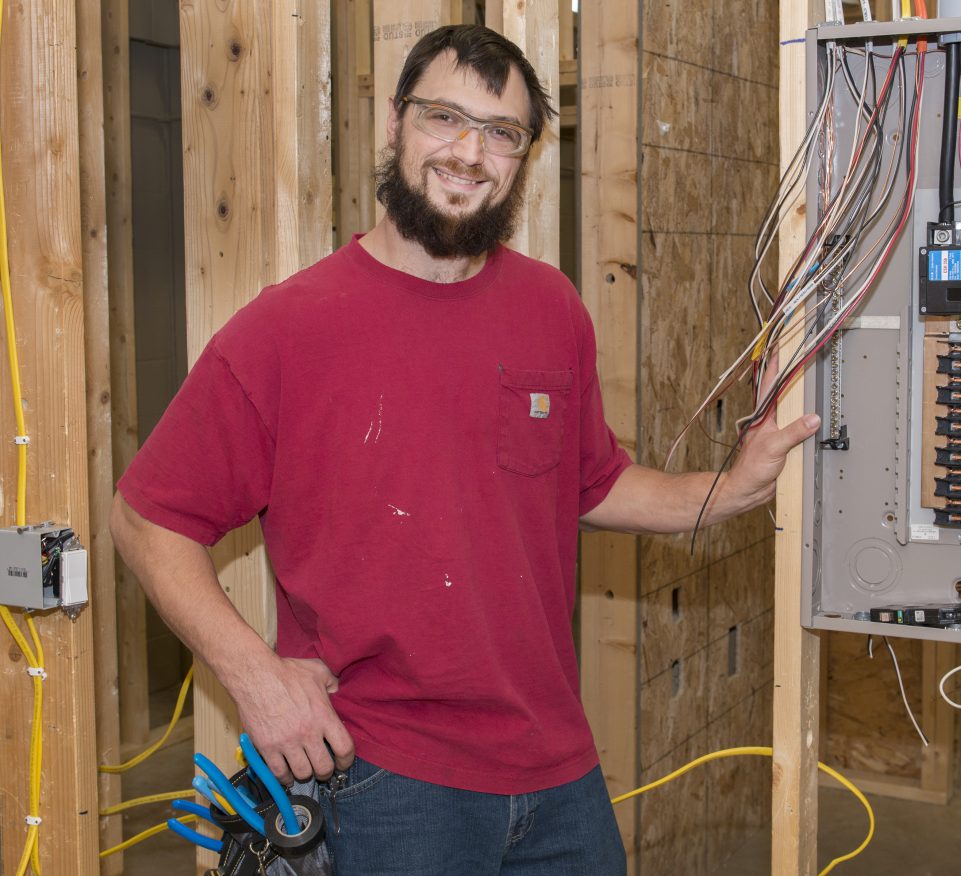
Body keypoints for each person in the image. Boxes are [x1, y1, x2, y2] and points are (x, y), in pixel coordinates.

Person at [110, 24, 819, 875]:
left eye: (501, 132)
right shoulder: (288, 329)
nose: (469, 152)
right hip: (384, 780)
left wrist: (731, 489)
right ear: (396, 124)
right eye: (445, 118)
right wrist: (257, 680)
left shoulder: (551, 307)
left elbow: (592, 485)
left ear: (522, 157)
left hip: (557, 770)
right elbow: (147, 519)